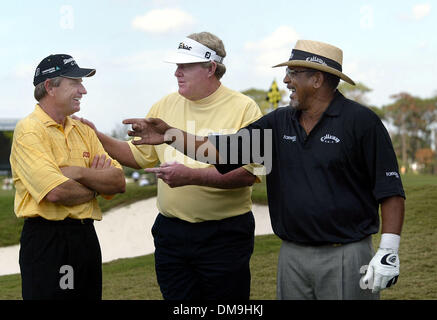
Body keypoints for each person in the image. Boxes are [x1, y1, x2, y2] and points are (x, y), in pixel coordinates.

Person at [123, 40, 406, 300]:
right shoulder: (278, 123)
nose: (286, 80)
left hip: (345, 254)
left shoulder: (361, 122)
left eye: (294, 73)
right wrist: (170, 134)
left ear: (317, 79)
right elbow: (220, 151)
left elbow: (390, 190)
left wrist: (389, 250)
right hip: (292, 255)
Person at [76, 32, 263, 300]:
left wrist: (192, 177)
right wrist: (97, 136)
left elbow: (247, 174)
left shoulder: (246, 108)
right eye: (176, 66)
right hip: (171, 233)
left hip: (225, 235)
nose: (177, 73)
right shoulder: (164, 105)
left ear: (211, 68)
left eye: (185, 66)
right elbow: (138, 156)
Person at [9, 54, 126, 300]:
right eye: (75, 82)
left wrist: (81, 173)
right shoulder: (29, 130)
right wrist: (95, 184)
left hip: (85, 237)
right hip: (48, 240)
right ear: (50, 86)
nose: (83, 90)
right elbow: (56, 192)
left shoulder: (83, 130)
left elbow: (118, 182)